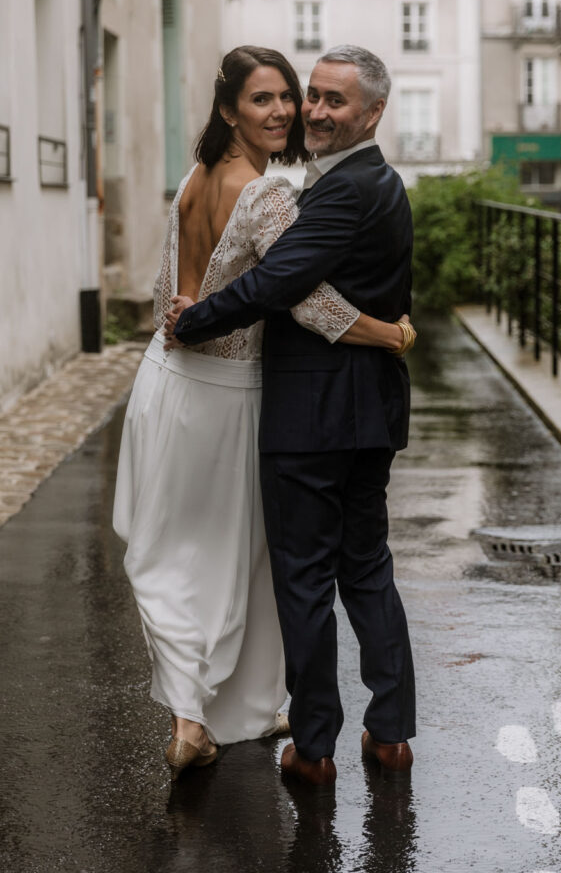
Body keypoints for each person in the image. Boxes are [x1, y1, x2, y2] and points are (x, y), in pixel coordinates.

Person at [113, 45, 415, 783]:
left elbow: (266, 285)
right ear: (229, 110)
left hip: (254, 400)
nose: (301, 110)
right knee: (358, 567)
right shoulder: (371, 185)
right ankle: (389, 732)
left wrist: (181, 322)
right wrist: (387, 331)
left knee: (279, 571)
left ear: (372, 113)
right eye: (290, 96)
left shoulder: (210, 181)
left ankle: (306, 745)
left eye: (318, 99)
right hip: (323, 401)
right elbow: (292, 290)